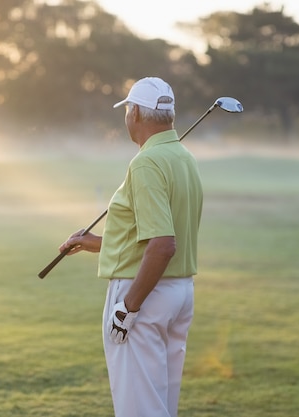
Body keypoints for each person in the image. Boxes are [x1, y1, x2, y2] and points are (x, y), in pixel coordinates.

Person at [58, 77, 203, 417]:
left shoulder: (146, 163)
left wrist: (127, 309)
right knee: (160, 403)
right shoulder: (184, 157)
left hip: (145, 295)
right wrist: (94, 242)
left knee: (140, 409)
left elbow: (163, 244)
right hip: (178, 293)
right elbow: (150, 235)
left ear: (135, 113)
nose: (126, 116)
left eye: (127, 109)